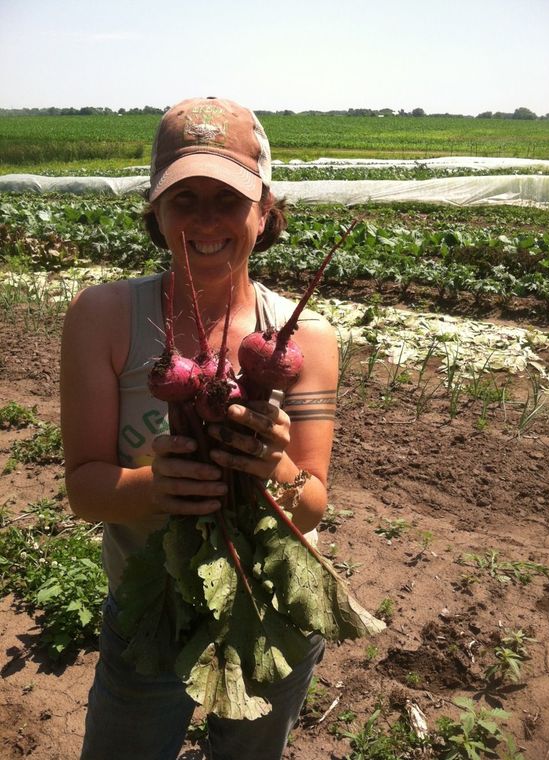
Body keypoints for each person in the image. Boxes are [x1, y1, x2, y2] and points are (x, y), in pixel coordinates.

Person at [60, 96, 339, 760]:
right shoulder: (101, 316)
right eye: (184, 199)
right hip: (151, 612)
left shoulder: (312, 339)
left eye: (229, 198)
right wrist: (157, 488)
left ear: (266, 209)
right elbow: (84, 493)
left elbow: (312, 502)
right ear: (155, 212)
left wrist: (271, 468)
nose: (206, 219)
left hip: (269, 611)